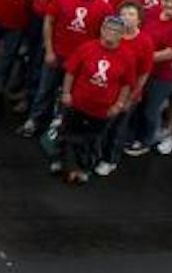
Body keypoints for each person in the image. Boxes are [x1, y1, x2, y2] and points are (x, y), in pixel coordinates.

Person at [56, 15, 135, 185]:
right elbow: (70, 71)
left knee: (92, 140)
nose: (111, 33)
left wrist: (119, 104)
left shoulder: (127, 56)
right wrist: (66, 93)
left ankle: (84, 169)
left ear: (122, 34)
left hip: (102, 109)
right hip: (77, 103)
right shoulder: (87, 47)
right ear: (101, 30)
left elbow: (126, 84)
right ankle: (65, 165)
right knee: (68, 134)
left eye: (116, 30)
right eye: (108, 29)